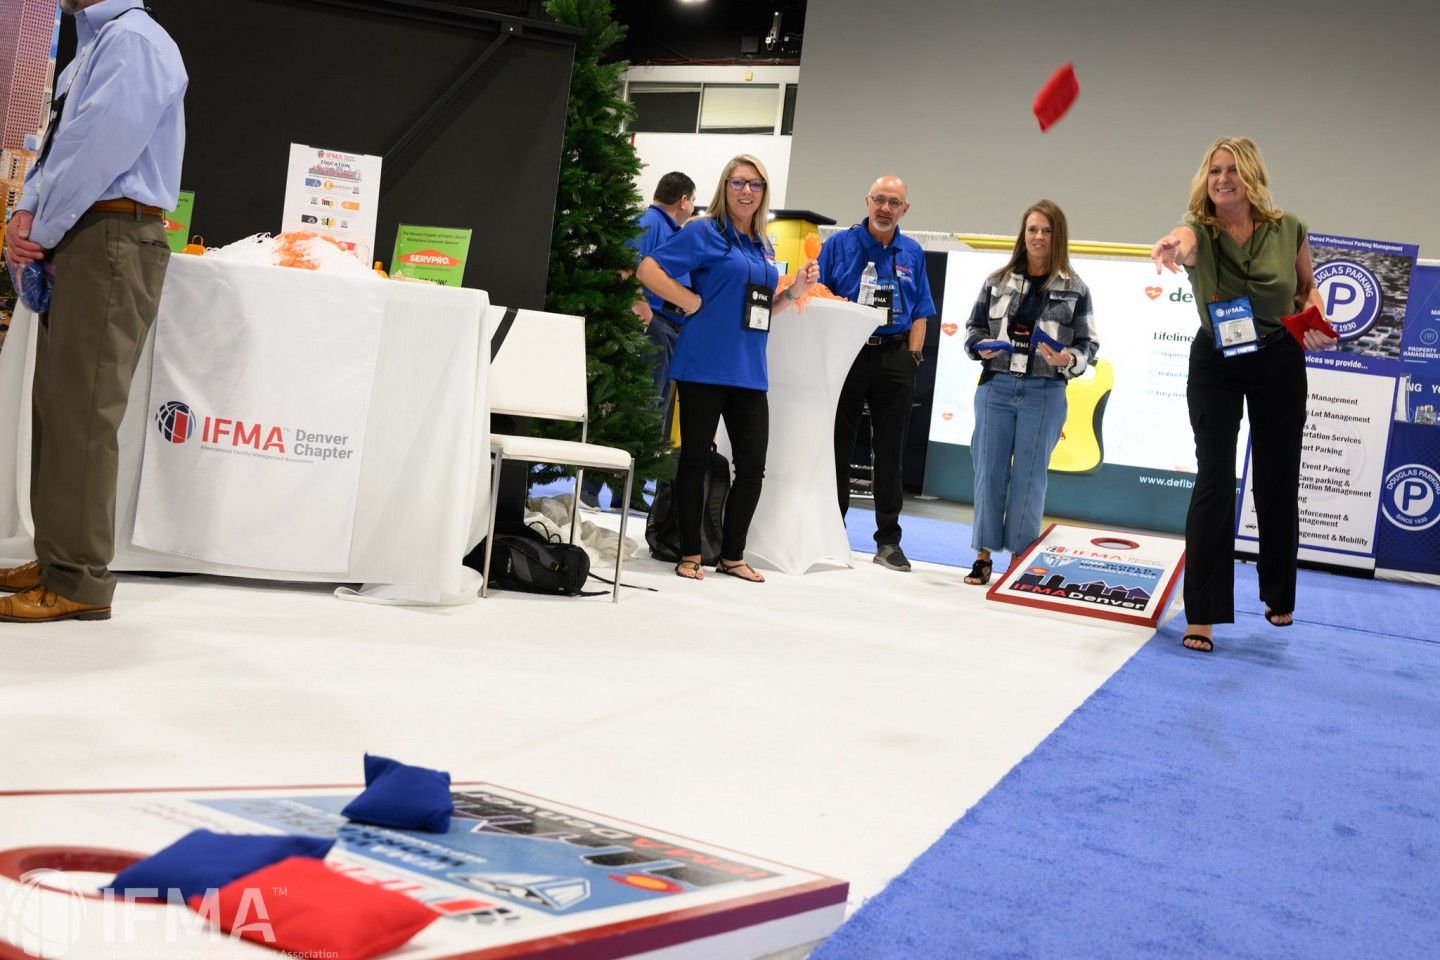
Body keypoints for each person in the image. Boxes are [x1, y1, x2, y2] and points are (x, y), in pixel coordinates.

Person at [0, 0, 187, 623]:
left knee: (82, 413)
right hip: (85, 234)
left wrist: (39, 228)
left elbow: (96, 152)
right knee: (57, 404)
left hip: (110, 235)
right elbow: (60, 146)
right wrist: (26, 214)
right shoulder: (96, 45)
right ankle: (58, 558)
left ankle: (79, 579)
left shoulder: (134, 42)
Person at [1151, 136, 1335, 653]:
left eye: (1232, 170)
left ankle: (1278, 595)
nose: (1222, 179)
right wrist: (1170, 244)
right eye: (1214, 171)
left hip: (1277, 357)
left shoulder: (1288, 227)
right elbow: (1182, 239)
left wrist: (1314, 314)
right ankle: (1203, 614)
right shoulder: (1199, 228)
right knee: (1213, 479)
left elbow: (1304, 288)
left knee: (1277, 477)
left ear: (1251, 175)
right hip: (1217, 362)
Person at [635, 154, 817, 582]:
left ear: (763, 192)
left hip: (750, 370)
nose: (746, 191)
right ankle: (690, 553)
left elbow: (761, 309)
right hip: (703, 364)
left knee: (752, 467)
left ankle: (733, 555)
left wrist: (795, 292)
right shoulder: (704, 231)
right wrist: (688, 301)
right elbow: (648, 267)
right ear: (725, 187)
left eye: (754, 184)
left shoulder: (763, 245)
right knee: (694, 461)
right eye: (738, 183)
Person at [961, 199, 1098, 586]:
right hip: (997, 386)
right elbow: (972, 328)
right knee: (988, 469)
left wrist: (1065, 358)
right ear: (1023, 234)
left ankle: (1021, 559)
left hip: (1045, 390)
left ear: (1058, 237)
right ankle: (983, 555)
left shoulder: (1076, 288)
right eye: (1033, 229)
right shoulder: (996, 280)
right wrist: (979, 346)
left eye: (1047, 230)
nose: (1038, 237)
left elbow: (1089, 346)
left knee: (1030, 477)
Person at [817, 175, 936, 572]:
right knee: (837, 445)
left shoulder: (913, 252)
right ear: (867, 201)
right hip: (847, 355)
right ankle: (832, 534)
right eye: (879, 200)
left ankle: (888, 542)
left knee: (890, 451)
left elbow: (920, 310)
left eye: (894, 202)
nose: (885, 208)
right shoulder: (839, 245)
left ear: (905, 209)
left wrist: (912, 357)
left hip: (895, 356)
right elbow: (820, 298)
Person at [580, 171, 695, 511]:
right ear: (684, 200)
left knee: (651, 408)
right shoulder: (650, 223)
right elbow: (624, 265)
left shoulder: (666, 228)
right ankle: (593, 486)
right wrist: (640, 304)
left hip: (667, 326)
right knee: (636, 404)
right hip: (654, 325)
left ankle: (626, 490)